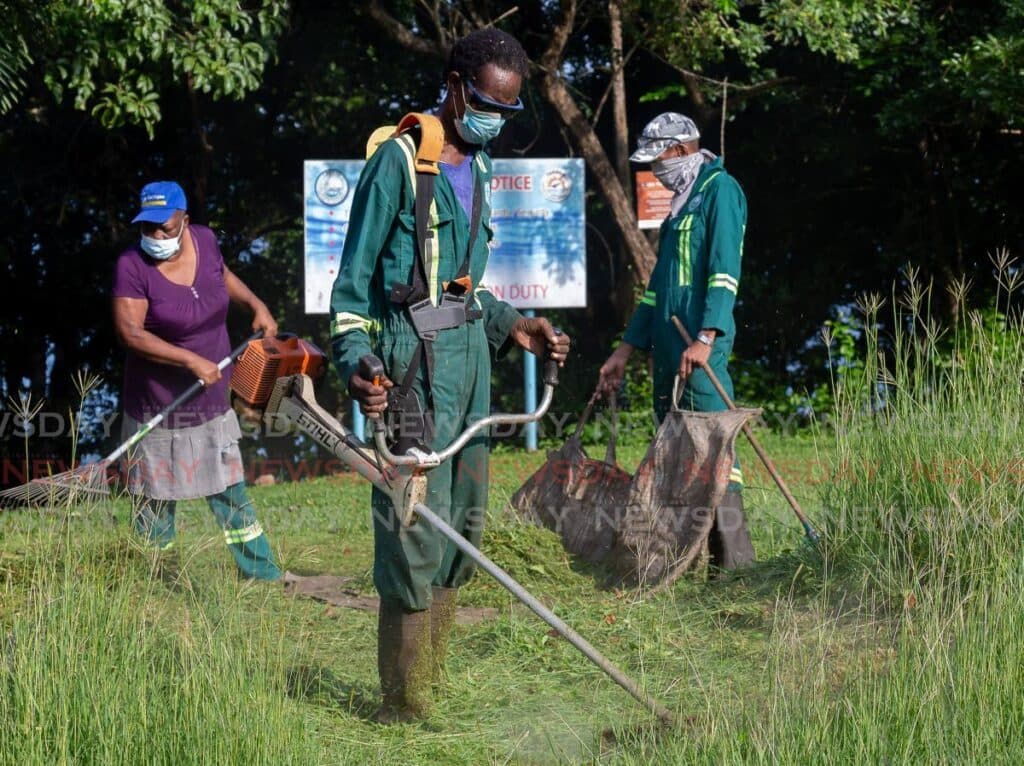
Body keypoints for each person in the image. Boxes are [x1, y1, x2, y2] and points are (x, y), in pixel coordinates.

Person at [330, 29, 570, 722]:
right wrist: (358, 362)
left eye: (508, 110)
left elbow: (467, 289)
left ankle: (432, 686)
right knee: (412, 526)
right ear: (457, 87)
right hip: (411, 368)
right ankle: (404, 708)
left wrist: (515, 326)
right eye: (488, 105)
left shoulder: (483, 168)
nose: (495, 120)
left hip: (470, 368)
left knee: (464, 520)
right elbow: (351, 294)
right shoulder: (399, 165)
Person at [598, 112, 755, 573]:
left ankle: (735, 567)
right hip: (669, 350)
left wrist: (707, 337)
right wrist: (625, 349)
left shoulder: (720, 191)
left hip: (699, 348)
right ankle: (678, 562)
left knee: (714, 445)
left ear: (682, 150)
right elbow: (656, 291)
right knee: (677, 451)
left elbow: (725, 274)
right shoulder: (678, 206)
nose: (655, 169)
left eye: (659, 159)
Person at [111, 180, 282, 582]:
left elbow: (222, 275)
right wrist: (190, 360)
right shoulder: (132, 267)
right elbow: (130, 333)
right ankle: (154, 581)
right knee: (153, 500)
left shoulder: (205, 240)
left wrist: (256, 304)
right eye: (148, 227)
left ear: (184, 221)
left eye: (165, 227)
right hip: (156, 405)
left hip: (210, 398)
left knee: (229, 489)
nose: (156, 236)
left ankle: (261, 576)